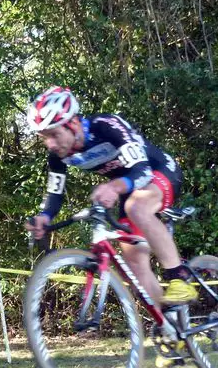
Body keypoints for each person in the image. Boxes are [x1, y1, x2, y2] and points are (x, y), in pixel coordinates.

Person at [24, 86, 196, 306]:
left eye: (55, 134)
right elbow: (55, 192)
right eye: (44, 137)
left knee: (137, 207)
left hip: (158, 172)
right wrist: (45, 216)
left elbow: (142, 170)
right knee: (134, 262)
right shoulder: (58, 156)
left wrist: (114, 187)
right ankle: (170, 325)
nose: (51, 144)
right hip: (130, 189)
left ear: (74, 123)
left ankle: (178, 277)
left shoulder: (106, 126)